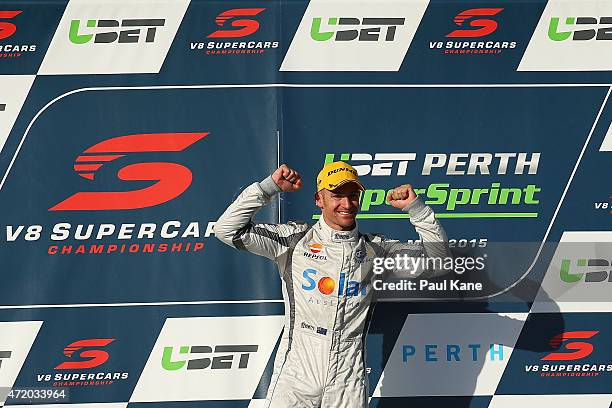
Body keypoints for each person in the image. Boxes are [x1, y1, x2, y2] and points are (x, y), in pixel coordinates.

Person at [214, 161, 450, 408]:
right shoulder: (295, 240)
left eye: (353, 196)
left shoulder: (375, 249)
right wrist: (268, 187)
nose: (347, 205)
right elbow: (226, 230)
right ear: (319, 199)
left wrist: (417, 209)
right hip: (298, 372)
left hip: (348, 376)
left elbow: (439, 262)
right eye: (337, 195)